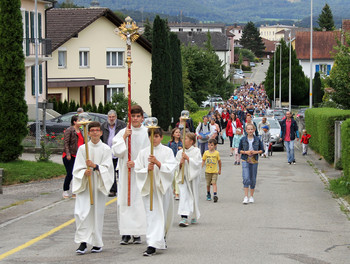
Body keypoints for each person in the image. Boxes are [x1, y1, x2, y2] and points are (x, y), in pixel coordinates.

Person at [134, 128, 177, 256]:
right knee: (152, 216)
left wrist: (158, 163)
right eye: (152, 136)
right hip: (149, 188)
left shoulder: (167, 151)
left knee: (162, 214)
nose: (154, 139)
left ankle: (160, 237)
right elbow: (138, 169)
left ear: (161, 137)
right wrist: (147, 169)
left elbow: (171, 168)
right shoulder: (143, 153)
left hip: (162, 188)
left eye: (157, 136)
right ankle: (152, 244)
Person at [72, 121, 114, 254]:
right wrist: (84, 172)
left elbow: (108, 168)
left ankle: (96, 242)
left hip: (98, 186)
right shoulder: (83, 149)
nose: (95, 132)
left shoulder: (106, 149)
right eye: (92, 130)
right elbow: (76, 168)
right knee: (81, 213)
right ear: (88, 133)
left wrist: (95, 167)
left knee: (96, 214)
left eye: (97, 130)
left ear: (101, 133)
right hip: (85, 185)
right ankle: (83, 242)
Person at [112, 105, 149, 245]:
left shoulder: (146, 133)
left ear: (142, 118)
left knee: (138, 202)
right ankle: (125, 233)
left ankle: (137, 232)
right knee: (124, 201)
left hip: (139, 172)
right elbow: (116, 151)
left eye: (138, 116)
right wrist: (124, 138)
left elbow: (148, 151)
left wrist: (136, 162)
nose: (135, 119)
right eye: (132, 116)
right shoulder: (123, 131)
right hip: (125, 172)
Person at [175, 132, 202, 226]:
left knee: (193, 195)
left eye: (186, 139)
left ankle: (194, 214)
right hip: (183, 177)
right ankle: (184, 217)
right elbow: (175, 165)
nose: (183, 140)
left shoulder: (196, 151)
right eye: (183, 139)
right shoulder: (180, 152)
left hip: (193, 177)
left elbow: (198, 163)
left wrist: (188, 159)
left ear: (191, 141)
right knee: (184, 195)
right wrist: (180, 163)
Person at [101, 110, 126, 197]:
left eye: (113, 117)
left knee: (120, 171)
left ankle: (123, 189)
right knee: (110, 172)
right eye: (110, 117)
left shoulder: (122, 125)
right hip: (108, 153)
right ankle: (113, 190)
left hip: (119, 152)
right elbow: (101, 138)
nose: (111, 119)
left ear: (116, 117)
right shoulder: (103, 126)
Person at [238, 123, 264, 204]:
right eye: (248, 129)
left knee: (253, 178)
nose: (250, 131)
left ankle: (251, 196)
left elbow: (262, 150)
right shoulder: (243, 139)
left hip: (254, 159)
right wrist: (246, 152)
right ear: (246, 130)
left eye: (251, 129)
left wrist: (255, 152)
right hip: (245, 159)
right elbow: (239, 150)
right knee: (246, 178)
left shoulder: (257, 139)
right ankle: (245, 196)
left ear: (254, 130)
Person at [62, 115, 84, 198]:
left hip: (78, 155)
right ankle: (65, 190)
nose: (81, 122)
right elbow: (66, 142)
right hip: (70, 155)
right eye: (79, 120)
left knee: (77, 174)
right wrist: (68, 153)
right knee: (70, 173)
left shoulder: (81, 130)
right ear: (74, 122)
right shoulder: (69, 130)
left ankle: (75, 191)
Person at [167, 128, 183, 200]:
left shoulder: (182, 143)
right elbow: (167, 153)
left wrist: (181, 149)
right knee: (173, 178)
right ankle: (174, 189)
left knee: (177, 177)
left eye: (179, 132)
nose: (178, 133)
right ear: (173, 134)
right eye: (176, 132)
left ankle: (177, 193)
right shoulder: (170, 143)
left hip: (179, 162)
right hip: (172, 162)